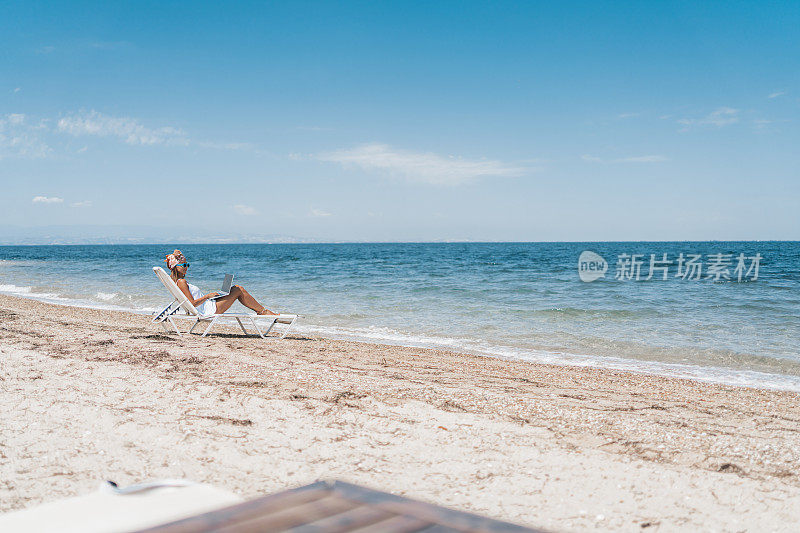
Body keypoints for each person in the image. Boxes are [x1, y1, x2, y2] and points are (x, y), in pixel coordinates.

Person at [164, 249, 277, 316]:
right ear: (175, 267)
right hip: (208, 310)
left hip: (208, 305)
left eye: (187, 265)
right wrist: (208, 296)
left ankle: (261, 311)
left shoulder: (178, 282)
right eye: (183, 265)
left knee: (234, 288)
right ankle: (263, 311)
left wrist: (210, 297)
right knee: (238, 289)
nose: (186, 268)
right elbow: (192, 304)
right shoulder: (181, 282)